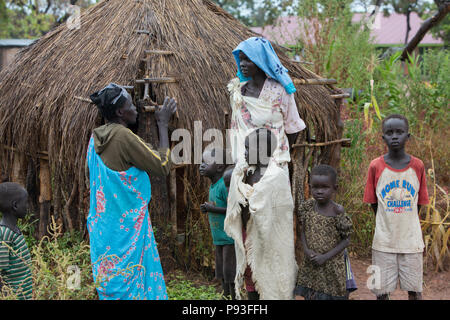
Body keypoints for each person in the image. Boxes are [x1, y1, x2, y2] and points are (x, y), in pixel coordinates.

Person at [86, 83, 176, 300]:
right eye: (130, 105)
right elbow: (162, 164)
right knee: (132, 284)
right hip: (126, 231)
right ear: (119, 112)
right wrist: (162, 124)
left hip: (105, 228)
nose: (135, 108)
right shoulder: (122, 137)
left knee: (113, 282)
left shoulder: (95, 139)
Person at [225, 128, 298, 300]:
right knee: (251, 275)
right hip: (249, 238)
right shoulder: (244, 174)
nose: (245, 153)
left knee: (270, 276)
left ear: (262, 150)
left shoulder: (276, 177)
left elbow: (283, 214)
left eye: (249, 148)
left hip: (270, 240)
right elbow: (236, 202)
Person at [363, 114, 429, 300]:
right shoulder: (375, 166)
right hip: (383, 243)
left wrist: (405, 221)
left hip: (411, 242)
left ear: (408, 136)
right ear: (383, 137)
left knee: (415, 292)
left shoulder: (417, 166)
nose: (394, 136)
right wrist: (387, 223)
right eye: (389, 132)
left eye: (399, 132)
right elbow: (374, 204)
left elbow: (419, 204)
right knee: (381, 292)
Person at [228, 37, 306, 166]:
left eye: (247, 59)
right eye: (241, 59)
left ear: (260, 60)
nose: (242, 64)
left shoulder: (279, 92)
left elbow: (293, 128)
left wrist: (277, 154)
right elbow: (236, 128)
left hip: (273, 164)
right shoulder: (238, 90)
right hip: (242, 162)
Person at [295, 165, 353, 300]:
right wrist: (306, 250)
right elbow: (303, 230)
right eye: (315, 187)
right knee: (311, 295)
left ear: (335, 188)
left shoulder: (337, 211)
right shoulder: (308, 207)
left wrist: (325, 257)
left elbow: (346, 240)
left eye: (324, 187)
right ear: (309, 187)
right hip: (311, 264)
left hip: (331, 266)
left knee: (329, 295)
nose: (319, 191)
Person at [199, 147, 236, 300]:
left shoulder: (223, 185)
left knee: (229, 269)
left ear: (220, 167)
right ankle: (225, 294)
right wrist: (209, 209)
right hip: (218, 236)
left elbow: (232, 209)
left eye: (206, 162)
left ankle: (234, 296)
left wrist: (212, 208)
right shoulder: (213, 185)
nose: (201, 165)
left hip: (228, 236)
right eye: (201, 162)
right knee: (220, 269)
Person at [0, 182, 33, 300]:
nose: (28, 206)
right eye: (26, 202)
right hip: (14, 296)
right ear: (15, 206)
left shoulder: (14, 230)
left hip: (25, 295)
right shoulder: (4, 234)